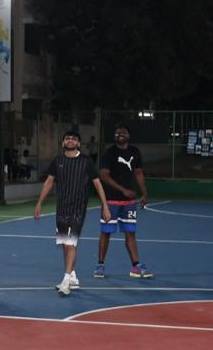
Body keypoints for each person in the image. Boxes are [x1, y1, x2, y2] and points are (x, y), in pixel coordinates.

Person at [34, 126, 111, 296]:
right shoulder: (58, 161)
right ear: (63, 142)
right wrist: (39, 203)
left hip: (77, 209)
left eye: (74, 139)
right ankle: (73, 276)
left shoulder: (86, 161)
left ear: (79, 143)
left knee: (70, 244)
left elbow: (97, 183)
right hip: (61, 208)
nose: (70, 140)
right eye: (67, 138)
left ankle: (66, 280)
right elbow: (49, 182)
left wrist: (105, 205)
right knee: (65, 243)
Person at [94, 122, 152, 280]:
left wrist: (144, 193)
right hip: (111, 200)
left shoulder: (135, 151)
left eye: (123, 132)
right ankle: (100, 265)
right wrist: (122, 190)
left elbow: (138, 173)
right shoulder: (109, 153)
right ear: (114, 136)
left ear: (129, 135)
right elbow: (104, 175)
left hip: (129, 203)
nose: (120, 134)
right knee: (106, 233)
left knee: (130, 233)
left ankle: (136, 266)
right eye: (117, 132)